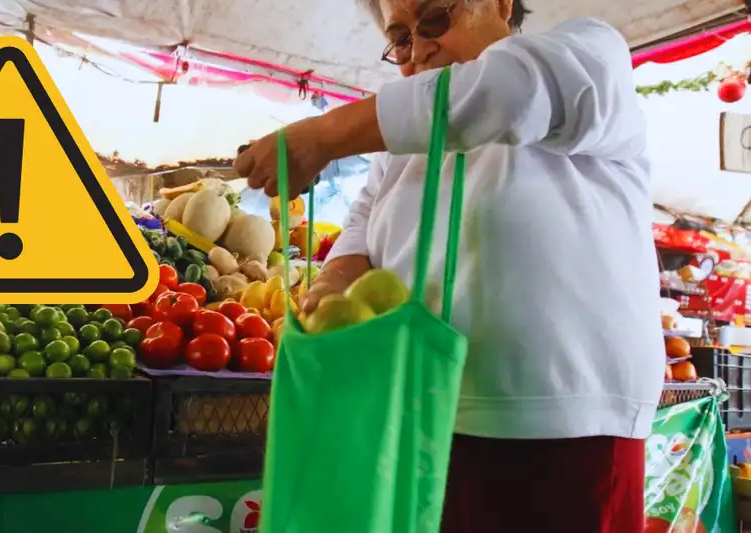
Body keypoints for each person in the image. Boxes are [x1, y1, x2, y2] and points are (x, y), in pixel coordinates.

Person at [232, 0, 664, 531]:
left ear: (501, 5)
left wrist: (324, 134)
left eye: (435, 19)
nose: (419, 48)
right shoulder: (400, 142)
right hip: (419, 411)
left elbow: (511, 94)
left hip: (557, 422)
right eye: (401, 40)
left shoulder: (586, 55)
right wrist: (336, 278)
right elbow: (364, 216)